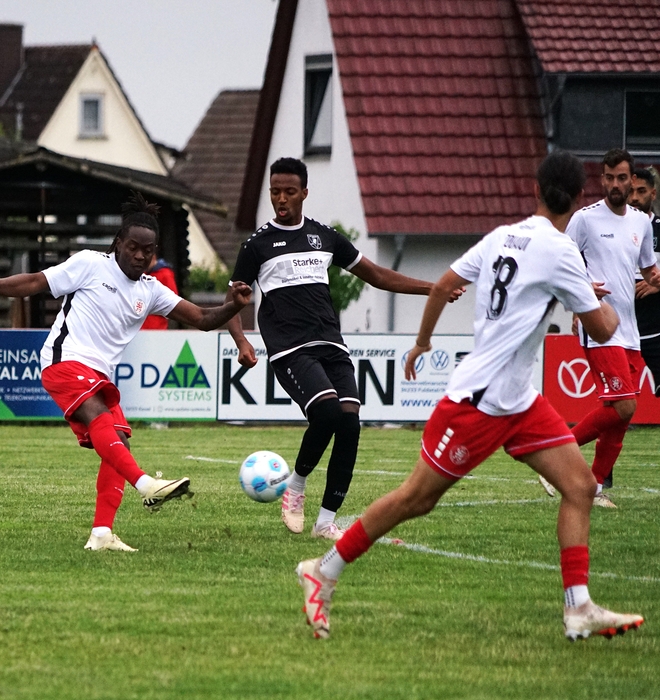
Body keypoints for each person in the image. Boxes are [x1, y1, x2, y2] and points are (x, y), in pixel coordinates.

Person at [295, 151, 644, 642]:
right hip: (478, 403)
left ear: (535, 190)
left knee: (580, 486)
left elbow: (443, 286)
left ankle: (578, 606)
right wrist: (598, 298)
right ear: (578, 198)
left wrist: (422, 343)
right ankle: (323, 569)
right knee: (416, 499)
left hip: (518, 400)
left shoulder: (503, 236)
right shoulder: (562, 252)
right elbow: (604, 328)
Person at [0, 192, 252, 552]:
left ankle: (101, 534)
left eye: (147, 250)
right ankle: (146, 484)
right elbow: (34, 282)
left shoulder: (151, 290)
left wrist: (233, 306)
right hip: (64, 361)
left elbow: (203, 318)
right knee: (101, 418)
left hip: (98, 375)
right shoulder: (90, 264)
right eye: (133, 247)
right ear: (118, 243)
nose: (140, 255)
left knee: (119, 442)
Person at [226, 157, 461, 540]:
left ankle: (325, 523)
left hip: (332, 343)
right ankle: (295, 487)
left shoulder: (324, 236)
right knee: (327, 413)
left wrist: (433, 289)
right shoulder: (257, 245)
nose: (281, 199)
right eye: (275, 192)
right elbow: (233, 299)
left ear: (304, 193)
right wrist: (241, 340)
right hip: (291, 349)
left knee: (350, 424)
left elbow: (377, 275)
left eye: (289, 192)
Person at [562, 150, 659, 507]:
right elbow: (561, 262)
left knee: (620, 418)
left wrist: (655, 278)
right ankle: (556, 449)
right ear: (601, 179)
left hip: (630, 330)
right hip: (599, 325)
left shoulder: (641, 223)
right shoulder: (585, 220)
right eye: (608, 177)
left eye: (621, 178)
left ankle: (595, 487)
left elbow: (647, 269)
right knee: (624, 406)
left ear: (632, 180)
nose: (615, 184)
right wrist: (583, 291)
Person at [630, 166, 660, 400]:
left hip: (655, 325)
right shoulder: (614, 229)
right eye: (631, 191)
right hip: (622, 326)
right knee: (620, 401)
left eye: (641, 191)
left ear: (653, 193)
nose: (635, 198)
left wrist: (657, 283)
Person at [141, 255, 178, 330]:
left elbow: (173, 301)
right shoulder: (144, 274)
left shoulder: (165, 275)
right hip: (143, 324)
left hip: (156, 326)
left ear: (153, 258)